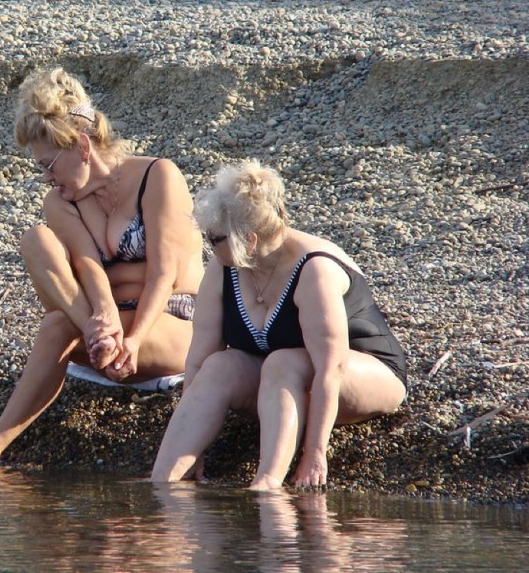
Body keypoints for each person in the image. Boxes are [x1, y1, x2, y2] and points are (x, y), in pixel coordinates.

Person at [0, 66, 203, 471]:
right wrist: (102, 318)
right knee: (37, 241)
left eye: (49, 165)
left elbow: (164, 274)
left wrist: (133, 340)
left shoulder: (157, 175)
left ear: (83, 147)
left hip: (169, 321)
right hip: (105, 325)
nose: (47, 178)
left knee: (54, 327)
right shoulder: (62, 201)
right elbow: (86, 263)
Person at [151, 159, 407, 490]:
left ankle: (267, 485)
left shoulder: (314, 269)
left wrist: (315, 453)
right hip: (281, 379)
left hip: (361, 373)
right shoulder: (223, 266)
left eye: (215, 238)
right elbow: (199, 359)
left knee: (283, 361)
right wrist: (194, 444)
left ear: (250, 240)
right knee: (218, 365)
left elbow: (332, 368)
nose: (209, 245)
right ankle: (163, 482)